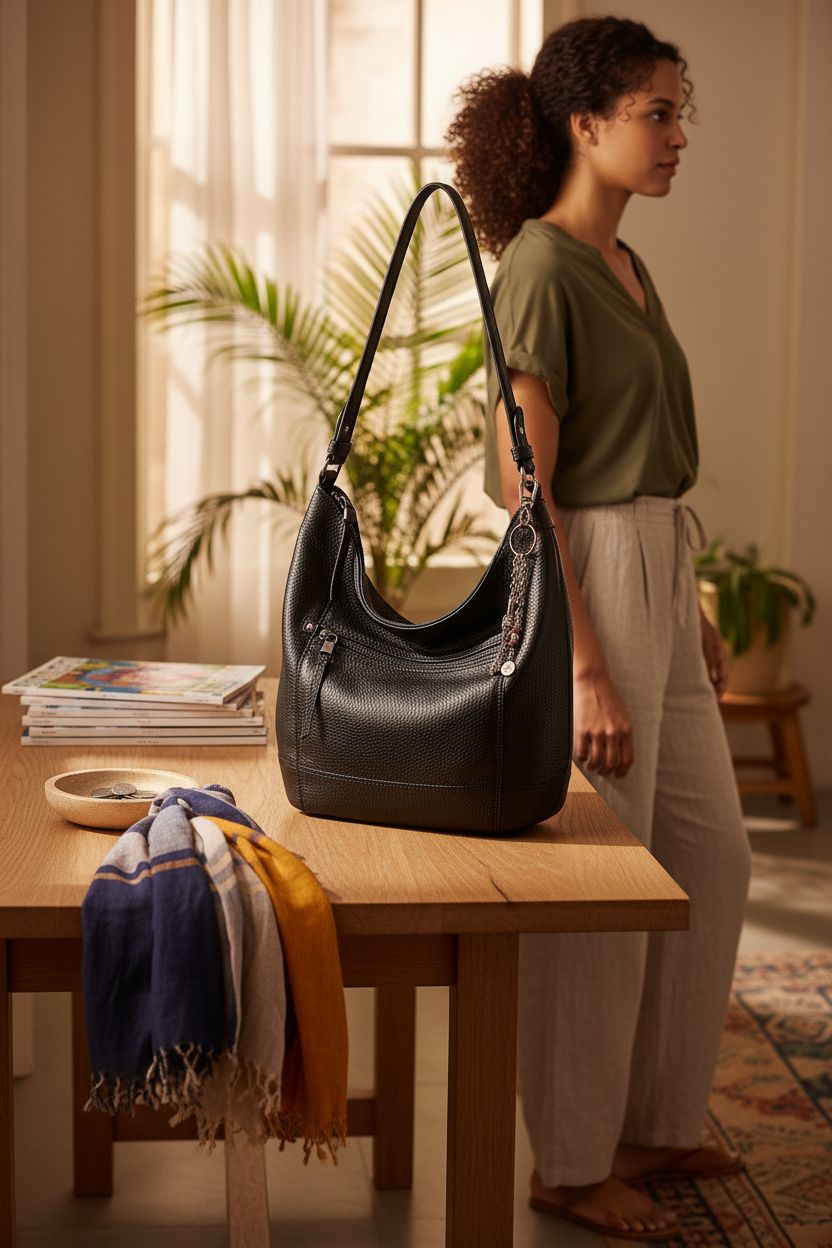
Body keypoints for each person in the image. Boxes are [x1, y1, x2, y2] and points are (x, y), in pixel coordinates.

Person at [446, 15, 753, 1241]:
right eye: (656, 112)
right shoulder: (540, 267)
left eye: (681, 112)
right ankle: (568, 1163)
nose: (678, 136)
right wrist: (583, 666)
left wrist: (691, 609)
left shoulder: (624, 263)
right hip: (590, 576)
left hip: (656, 567)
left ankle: (655, 1120)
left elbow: (646, 462)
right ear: (585, 124)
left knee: (709, 860)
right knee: (603, 882)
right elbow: (534, 491)